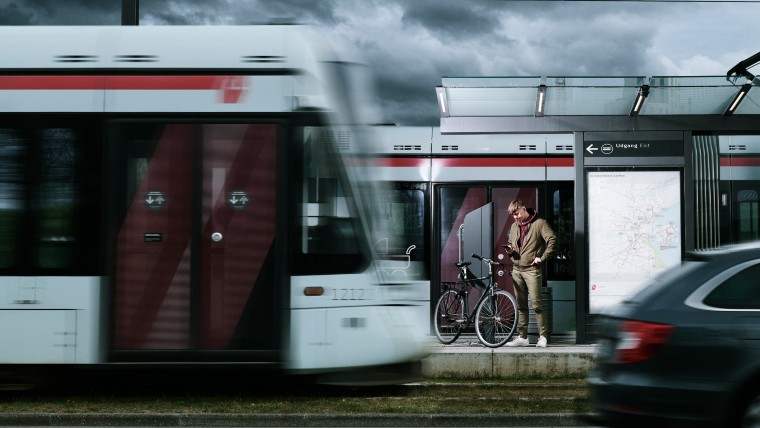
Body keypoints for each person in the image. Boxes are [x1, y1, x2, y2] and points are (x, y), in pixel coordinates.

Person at [503, 199, 556, 348]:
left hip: (532, 270)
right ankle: (523, 338)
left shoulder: (540, 223)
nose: (516, 217)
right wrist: (511, 251)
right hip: (517, 270)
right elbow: (513, 244)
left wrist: (543, 257)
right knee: (521, 306)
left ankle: (543, 337)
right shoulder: (514, 226)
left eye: (517, 213)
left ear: (524, 208)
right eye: (513, 215)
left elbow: (552, 240)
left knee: (537, 304)